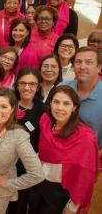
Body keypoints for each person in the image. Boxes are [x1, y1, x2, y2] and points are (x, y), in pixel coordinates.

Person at [28, 86, 99, 214]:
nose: (60, 108)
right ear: (50, 104)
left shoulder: (85, 137)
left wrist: (73, 206)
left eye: (66, 103)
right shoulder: (45, 121)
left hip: (60, 191)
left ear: (74, 107)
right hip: (37, 182)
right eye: (56, 102)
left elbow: (85, 176)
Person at [7, 67, 45, 213]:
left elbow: (40, 143)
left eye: (32, 84)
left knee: (18, 207)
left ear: (38, 86)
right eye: (22, 83)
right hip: (3, 165)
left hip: (23, 170)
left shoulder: (42, 110)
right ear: (17, 85)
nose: (27, 87)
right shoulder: (8, 102)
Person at [59, 46, 102, 147]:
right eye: (78, 62)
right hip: (59, 153)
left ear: (99, 68)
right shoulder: (62, 88)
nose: (82, 67)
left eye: (89, 62)